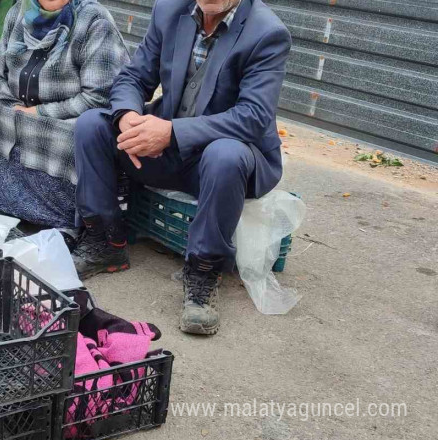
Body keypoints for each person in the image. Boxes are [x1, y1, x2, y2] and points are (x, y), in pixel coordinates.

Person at [72, 0, 291, 335]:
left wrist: (172, 132)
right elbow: (134, 76)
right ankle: (105, 243)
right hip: (170, 146)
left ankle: (203, 272)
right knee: (92, 126)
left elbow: (254, 116)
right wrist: (128, 117)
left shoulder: (267, 32)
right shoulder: (170, 10)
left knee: (225, 155)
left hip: (222, 163)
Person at [0, 0, 129, 230]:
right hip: (17, 108)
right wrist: (15, 109)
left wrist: (38, 112)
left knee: (77, 135)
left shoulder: (95, 21)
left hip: (67, 117)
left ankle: (55, 218)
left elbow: (99, 97)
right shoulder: (19, 11)